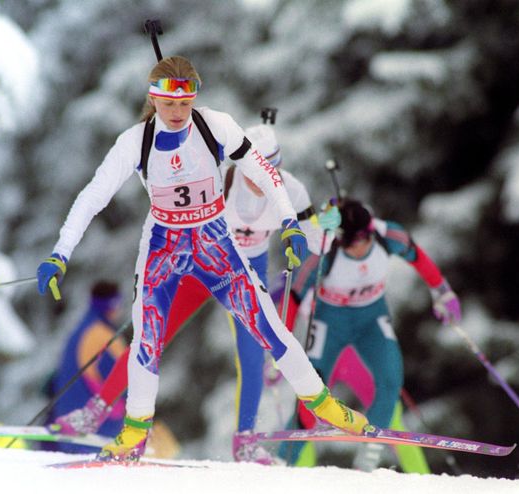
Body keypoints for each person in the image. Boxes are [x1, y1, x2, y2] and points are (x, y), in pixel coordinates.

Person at [36, 55, 369, 462]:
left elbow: (265, 172)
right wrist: (60, 252)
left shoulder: (216, 125)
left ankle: (322, 405)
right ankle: (133, 432)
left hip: (214, 243)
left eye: (185, 102)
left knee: (267, 324)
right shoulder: (135, 141)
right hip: (164, 246)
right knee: (147, 337)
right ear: (153, 99)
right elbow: (92, 196)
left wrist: (292, 224)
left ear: (194, 98)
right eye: (168, 103)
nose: (177, 113)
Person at [277, 197, 462, 468]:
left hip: (371, 320)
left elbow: (418, 257)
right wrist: (281, 345)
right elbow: (293, 294)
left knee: (391, 379)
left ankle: (368, 453)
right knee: (312, 390)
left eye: (359, 241)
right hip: (331, 323)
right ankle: (285, 459)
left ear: (369, 233)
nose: (354, 249)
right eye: (347, 243)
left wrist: (442, 291)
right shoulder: (325, 249)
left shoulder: (389, 236)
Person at [44, 280, 127, 453]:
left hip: (66, 419)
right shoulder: (104, 336)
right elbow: (122, 381)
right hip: (96, 429)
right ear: (113, 305)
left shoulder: (81, 329)